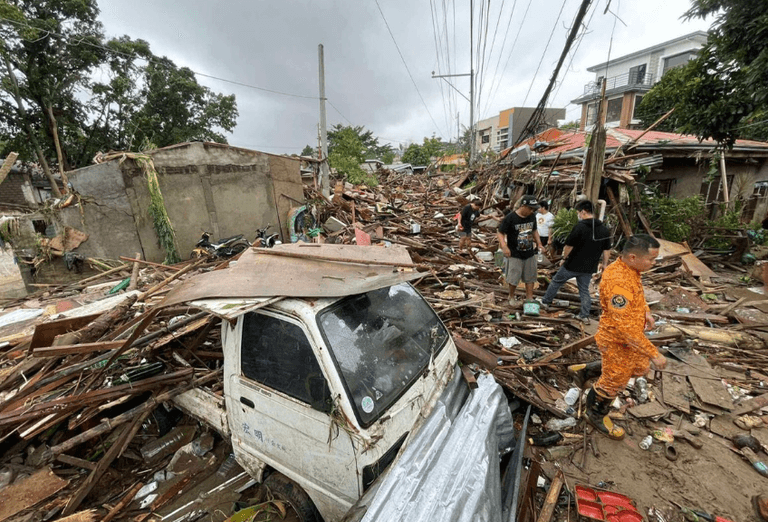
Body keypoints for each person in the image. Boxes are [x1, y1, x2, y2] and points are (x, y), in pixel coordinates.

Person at [586, 234, 667, 440]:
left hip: (627, 339)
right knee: (614, 379)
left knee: (638, 368)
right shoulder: (618, 282)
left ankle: (586, 371)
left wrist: (646, 311)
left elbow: (637, 296)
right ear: (632, 257)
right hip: (616, 338)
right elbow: (625, 329)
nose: (653, 263)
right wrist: (653, 353)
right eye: (651, 259)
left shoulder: (631, 270)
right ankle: (595, 414)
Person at [540, 200, 612, 324]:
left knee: (556, 281)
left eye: (579, 212)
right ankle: (584, 315)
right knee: (584, 290)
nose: (578, 215)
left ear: (583, 212)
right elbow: (607, 249)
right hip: (589, 267)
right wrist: (605, 264)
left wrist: (564, 259)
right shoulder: (604, 230)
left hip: (572, 264)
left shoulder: (579, 227)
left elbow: (568, 246)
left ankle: (546, 302)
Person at [497, 195, 545, 304]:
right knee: (514, 277)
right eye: (530, 208)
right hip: (514, 253)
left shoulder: (532, 216)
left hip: (529, 252)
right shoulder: (510, 218)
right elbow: (500, 232)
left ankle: (529, 298)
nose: (531, 211)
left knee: (530, 277)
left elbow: (534, 231)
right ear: (523, 206)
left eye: (533, 209)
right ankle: (511, 296)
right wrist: (504, 246)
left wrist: (539, 244)